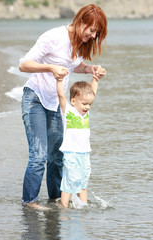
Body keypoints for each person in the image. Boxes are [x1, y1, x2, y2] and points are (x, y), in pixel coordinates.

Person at [19, 4, 107, 209]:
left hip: (55, 105)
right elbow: (24, 64)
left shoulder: (78, 42)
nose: (93, 36)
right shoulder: (53, 37)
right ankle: (29, 202)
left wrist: (89, 68)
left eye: (97, 33)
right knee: (39, 155)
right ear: (80, 21)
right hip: (35, 99)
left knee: (58, 156)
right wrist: (50, 67)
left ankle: (56, 200)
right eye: (92, 30)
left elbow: (73, 64)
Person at [56, 68, 106, 208]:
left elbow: (92, 93)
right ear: (73, 101)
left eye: (89, 104)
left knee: (83, 183)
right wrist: (59, 80)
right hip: (71, 153)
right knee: (69, 182)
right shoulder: (69, 112)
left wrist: (95, 79)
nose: (88, 107)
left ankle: (84, 208)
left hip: (84, 153)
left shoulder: (85, 112)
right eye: (84, 104)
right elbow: (61, 96)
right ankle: (64, 207)